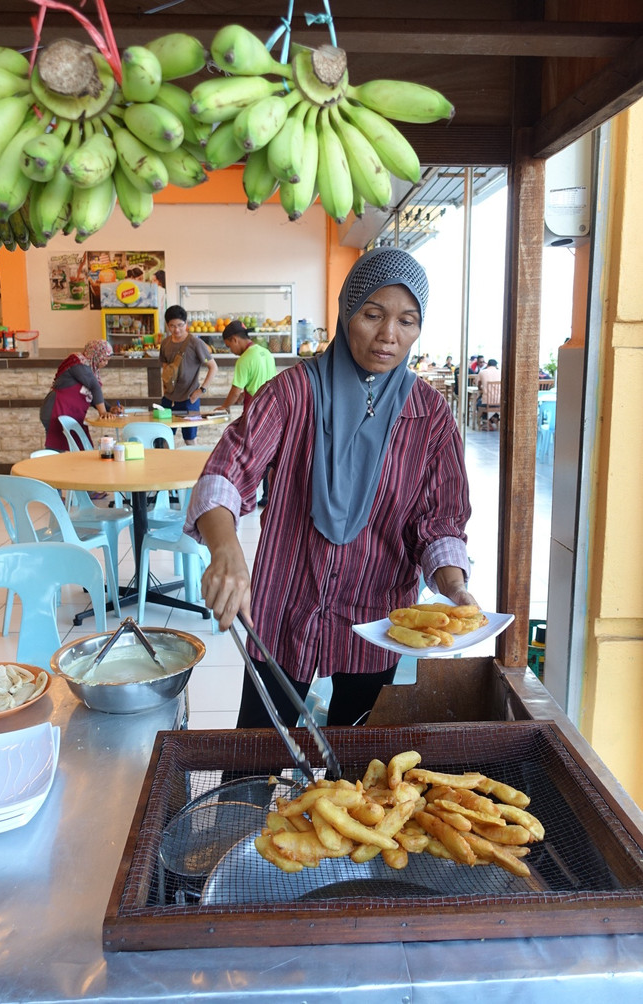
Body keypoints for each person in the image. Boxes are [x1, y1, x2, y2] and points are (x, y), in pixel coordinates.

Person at [184, 247, 476, 729]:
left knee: (359, 771)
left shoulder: (429, 417)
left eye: (407, 320)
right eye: (373, 314)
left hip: (377, 616)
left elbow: (438, 523)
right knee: (256, 756)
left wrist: (455, 589)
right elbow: (227, 470)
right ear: (347, 312)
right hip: (285, 604)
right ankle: (249, 804)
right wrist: (225, 549)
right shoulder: (294, 393)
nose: (388, 335)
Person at [213, 319, 277, 506]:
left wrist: (224, 406)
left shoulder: (245, 359)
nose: (230, 350)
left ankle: (246, 494)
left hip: (255, 414)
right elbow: (263, 382)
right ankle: (267, 495)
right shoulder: (266, 353)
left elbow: (236, 390)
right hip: (272, 411)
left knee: (250, 454)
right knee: (269, 453)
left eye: (228, 346)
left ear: (234, 339)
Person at [40, 339, 121, 452]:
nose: (105, 363)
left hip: (69, 412)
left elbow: (90, 394)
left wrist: (109, 409)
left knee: (79, 449)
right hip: (55, 410)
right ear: (96, 355)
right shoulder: (78, 363)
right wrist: (102, 412)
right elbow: (94, 387)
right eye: (104, 360)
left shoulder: (89, 368)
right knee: (58, 451)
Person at [159, 304, 218, 443]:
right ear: (167, 325)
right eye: (172, 326)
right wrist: (165, 388)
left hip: (189, 399)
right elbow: (165, 367)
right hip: (168, 400)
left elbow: (213, 367)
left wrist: (201, 390)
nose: (177, 329)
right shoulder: (165, 343)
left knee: (190, 440)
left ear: (186, 323)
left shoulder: (195, 343)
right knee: (164, 438)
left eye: (180, 325)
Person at [476, 357, 500, 428]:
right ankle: (492, 419)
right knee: (483, 401)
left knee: (478, 403)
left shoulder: (482, 372)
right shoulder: (501, 372)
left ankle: (486, 421)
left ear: (487, 365)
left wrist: (481, 388)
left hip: (486, 402)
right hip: (499, 403)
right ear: (496, 366)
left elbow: (478, 383)